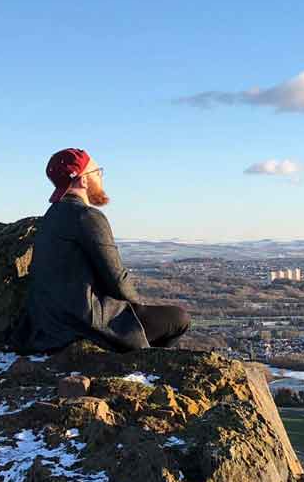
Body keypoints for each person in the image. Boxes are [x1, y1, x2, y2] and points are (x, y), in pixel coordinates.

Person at [19, 148, 191, 353]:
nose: (100, 177)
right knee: (179, 318)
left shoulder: (51, 216)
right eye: (97, 172)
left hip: (48, 324)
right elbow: (117, 278)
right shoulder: (87, 216)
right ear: (83, 180)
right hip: (83, 324)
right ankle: (142, 365)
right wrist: (137, 307)